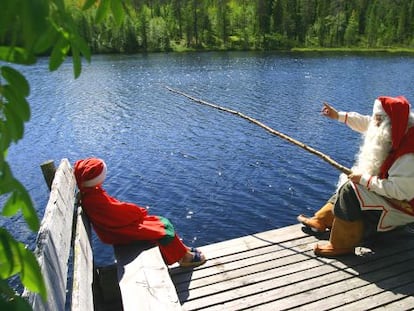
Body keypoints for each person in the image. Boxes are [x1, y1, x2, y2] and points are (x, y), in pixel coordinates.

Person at [297, 95, 414, 257]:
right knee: (350, 180)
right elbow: (367, 123)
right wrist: (338, 116)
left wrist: (365, 180)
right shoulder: (396, 127)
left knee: (350, 190)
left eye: (378, 119)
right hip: (396, 194)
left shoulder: (409, 153)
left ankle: (342, 244)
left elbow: (402, 192)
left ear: (389, 122)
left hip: (405, 207)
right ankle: (323, 219)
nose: (374, 122)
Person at [74, 157, 206, 267]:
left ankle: (182, 250)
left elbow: (115, 209)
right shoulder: (95, 199)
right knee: (162, 231)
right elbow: (117, 212)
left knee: (161, 221)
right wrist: (137, 212)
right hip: (117, 231)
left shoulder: (91, 193)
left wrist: (133, 212)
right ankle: (184, 259)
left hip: (115, 227)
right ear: (96, 179)